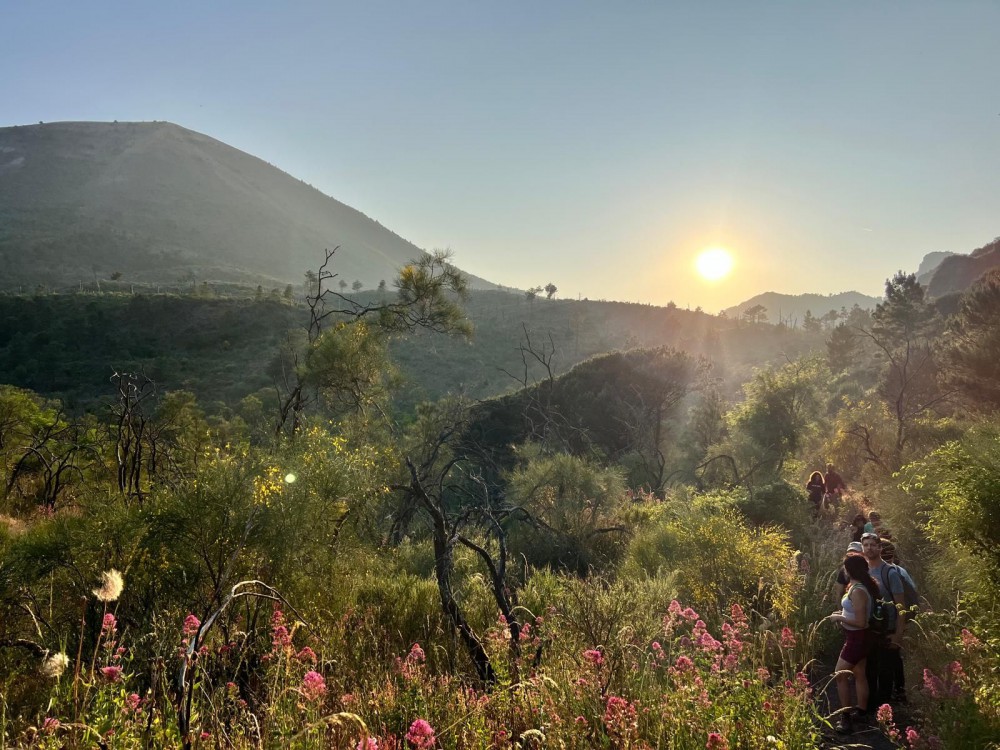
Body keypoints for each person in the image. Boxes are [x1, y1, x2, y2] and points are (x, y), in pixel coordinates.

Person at [826, 552, 878, 733]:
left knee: (839, 675)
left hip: (858, 639)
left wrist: (838, 619)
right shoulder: (858, 587)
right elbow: (856, 616)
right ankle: (861, 713)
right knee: (859, 673)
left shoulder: (858, 591)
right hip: (857, 637)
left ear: (849, 570)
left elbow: (861, 622)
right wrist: (842, 615)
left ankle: (845, 717)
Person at [862, 531, 907, 709]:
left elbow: (901, 607)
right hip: (869, 628)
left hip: (888, 629)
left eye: (873, 545)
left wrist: (898, 634)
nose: (869, 548)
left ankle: (885, 709)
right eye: (866, 545)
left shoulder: (890, 573)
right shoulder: (863, 571)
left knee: (886, 671)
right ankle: (873, 706)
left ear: (880, 548)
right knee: (870, 669)